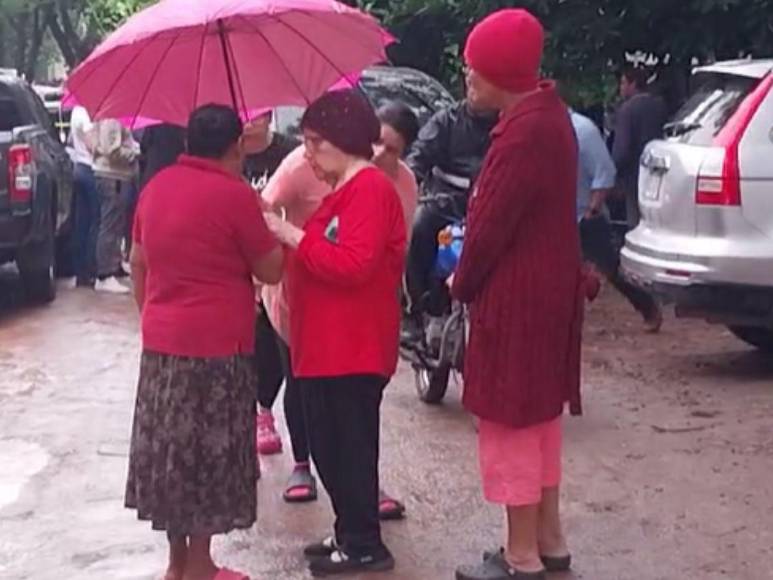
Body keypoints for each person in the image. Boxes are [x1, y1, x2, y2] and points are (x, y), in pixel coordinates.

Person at [125, 104, 284, 580]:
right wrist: (269, 220)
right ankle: (200, 566)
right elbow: (271, 270)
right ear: (236, 145)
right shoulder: (235, 196)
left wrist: (152, 315)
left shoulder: (155, 189)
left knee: (172, 454)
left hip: (163, 348)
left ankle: (176, 566)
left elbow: (137, 261)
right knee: (209, 456)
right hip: (219, 349)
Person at [451, 10, 583, 580]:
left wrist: (461, 283)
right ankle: (547, 539)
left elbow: (488, 228)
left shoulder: (522, 133)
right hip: (549, 290)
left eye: (474, 71)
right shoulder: (550, 118)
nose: (468, 81)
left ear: (501, 72)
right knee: (539, 419)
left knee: (510, 422)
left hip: (519, 296)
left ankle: (520, 554)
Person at [264, 89, 404, 577]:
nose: (307, 154)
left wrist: (292, 235)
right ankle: (350, 530)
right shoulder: (346, 190)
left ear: (341, 140)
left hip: (352, 345)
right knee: (330, 443)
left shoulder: (369, 189)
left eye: (314, 142)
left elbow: (353, 264)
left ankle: (364, 542)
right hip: (328, 346)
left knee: (348, 446)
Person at [402, 93, 497, 340]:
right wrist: (411, 179)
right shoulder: (446, 120)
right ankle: (417, 308)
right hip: (445, 201)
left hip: (491, 203)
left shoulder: (509, 123)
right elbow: (419, 156)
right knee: (420, 226)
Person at [571, 108, 663, 332]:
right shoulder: (542, 131)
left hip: (585, 213)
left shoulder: (582, 130)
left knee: (613, 268)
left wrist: (593, 209)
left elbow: (605, 171)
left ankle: (648, 307)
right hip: (558, 216)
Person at [241, 111, 300, 458]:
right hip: (240, 259)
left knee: (274, 338)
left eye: (257, 116)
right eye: (243, 117)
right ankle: (251, 412)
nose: (250, 124)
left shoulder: (289, 155)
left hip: (279, 258)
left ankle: (264, 410)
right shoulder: (228, 155)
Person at [612, 66, 668, 230]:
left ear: (633, 84)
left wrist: (615, 172)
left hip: (633, 174)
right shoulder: (659, 105)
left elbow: (621, 149)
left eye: (623, 83)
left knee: (635, 221)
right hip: (658, 172)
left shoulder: (627, 110)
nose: (620, 88)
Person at [93, 118, 139, 294]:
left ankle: (113, 265)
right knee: (110, 224)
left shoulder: (115, 119)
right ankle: (104, 275)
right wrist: (133, 153)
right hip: (112, 175)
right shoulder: (111, 120)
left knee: (116, 223)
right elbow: (112, 151)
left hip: (118, 176)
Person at [70, 106, 100, 289]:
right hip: (90, 169)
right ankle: (90, 270)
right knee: (95, 221)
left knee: (82, 222)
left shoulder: (75, 112)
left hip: (78, 167)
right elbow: (92, 145)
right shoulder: (84, 114)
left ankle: (80, 271)